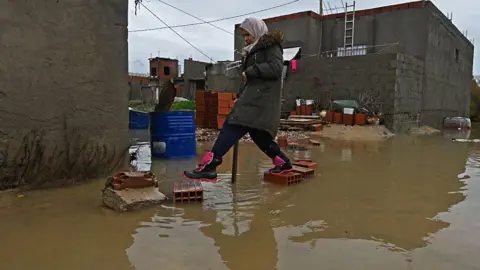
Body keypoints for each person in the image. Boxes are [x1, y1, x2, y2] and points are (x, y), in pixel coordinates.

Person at [183, 17, 292, 182]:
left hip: (261, 100)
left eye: (248, 34)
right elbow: (248, 81)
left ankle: (210, 166)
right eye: (244, 35)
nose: (246, 39)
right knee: (260, 137)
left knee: (232, 125)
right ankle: (283, 162)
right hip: (253, 99)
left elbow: (277, 69)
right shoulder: (252, 51)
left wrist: (251, 71)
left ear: (257, 31)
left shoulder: (271, 46)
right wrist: (240, 97)